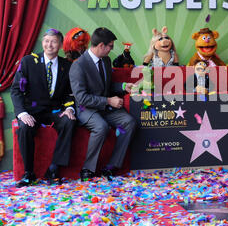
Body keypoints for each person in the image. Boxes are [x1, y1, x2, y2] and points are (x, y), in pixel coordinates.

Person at [69, 27, 137, 181]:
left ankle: (112, 166)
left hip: (105, 108)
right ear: (101, 46)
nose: (111, 50)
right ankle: (87, 169)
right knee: (101, 127)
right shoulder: (78, 66)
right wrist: (108, 100)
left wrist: (123, 86)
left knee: (129, 122)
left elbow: (106, 85)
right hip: (86, 109)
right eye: (110, 46)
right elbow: (81, 98)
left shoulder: (105, 60)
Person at [11, 28, 76, 187]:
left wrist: (69, 109)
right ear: (42, 43)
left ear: (60, 45)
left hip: (54, 110)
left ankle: (53, 168)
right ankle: (28, 173)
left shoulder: (66, 66)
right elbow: (16, 90)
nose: (50, 45)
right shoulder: (28, 62)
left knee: (69, 121)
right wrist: (22, 113)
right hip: (31, 111)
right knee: (25, 127)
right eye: (47, 41)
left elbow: (70, 93)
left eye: (54, 41)